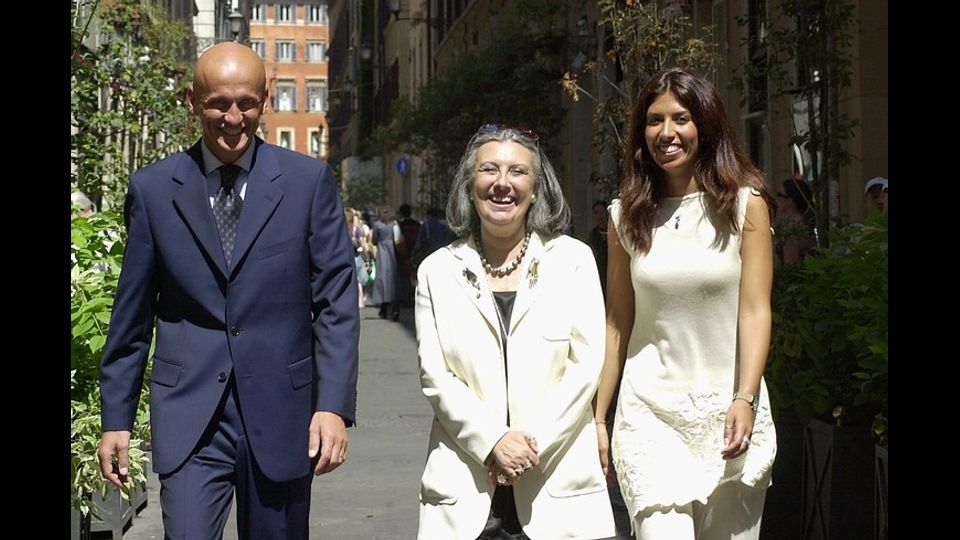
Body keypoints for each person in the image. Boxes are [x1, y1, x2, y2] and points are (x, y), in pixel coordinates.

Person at [97, 42, 360, 539]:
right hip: (191, 416)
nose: (233, 117)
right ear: (193, 102)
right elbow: (131, 316)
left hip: (284, 414)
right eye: (219, 103)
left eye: (246, 103)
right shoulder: (154, 191)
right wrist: (117, 420)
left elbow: (336, 304)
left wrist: (332, 406)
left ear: (265, 100)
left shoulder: (307, 183)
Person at [594, 67, 777, 539]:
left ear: (706, 125)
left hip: (730, 411)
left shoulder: (745, 206)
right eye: (654, 121)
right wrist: (597, 416)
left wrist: (746, 396)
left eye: (681, 118)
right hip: (649, 414)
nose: (667, 133)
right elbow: (617, 322)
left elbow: (755, 310)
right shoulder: (625, 215)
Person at [415, 124, 616, 540]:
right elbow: (435, 376)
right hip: (466, 493)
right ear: (470, 185)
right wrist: (492, 442)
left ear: (537, 187)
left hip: (556, 485)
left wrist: (526, 446)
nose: (502, 183)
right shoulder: (437, 271)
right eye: (489, 169)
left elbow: (586, 367)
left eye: (517, 172)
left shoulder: (574, 261)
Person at [371, 205, 403, 320]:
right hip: (394, 252)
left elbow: (374, 240)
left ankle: (383, 308)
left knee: (382, 279)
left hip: (382, 251)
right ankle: (395, 309)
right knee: (395, 280)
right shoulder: (395, 224)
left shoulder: (377, 225)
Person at [773, 177, 816, 265]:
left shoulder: (792, 230)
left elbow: (790, 265)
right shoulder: (803, 224)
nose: (776, 199)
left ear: (790, 201)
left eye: (779, 194)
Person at [588, 200, 610, 299]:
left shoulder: (614, 232)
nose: (599, 216)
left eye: (602, 212)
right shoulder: (592, 236)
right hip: (599, 277)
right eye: (596, 213)